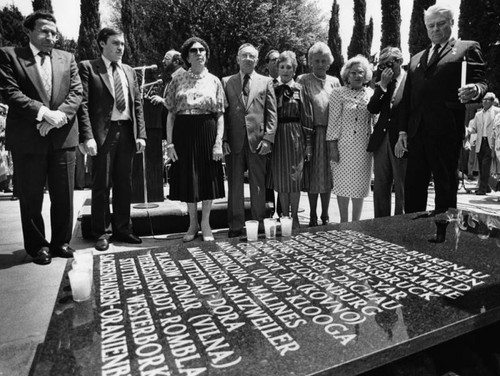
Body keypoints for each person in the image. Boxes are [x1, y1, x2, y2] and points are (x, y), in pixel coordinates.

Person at [0, 11, 83, 265]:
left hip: (62, 137)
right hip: (29, 139)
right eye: (45, 31)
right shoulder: (10, 55)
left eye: (54, 32)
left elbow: (76, 92)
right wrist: (43, 113)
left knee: (63, 195)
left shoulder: (66, 58)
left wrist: (58, 116)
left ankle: (60, 242)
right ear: (29, 31)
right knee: (31, 196)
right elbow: (9, 91)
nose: (51, 37)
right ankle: (38, 247)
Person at [396, 3, 488, 214]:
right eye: (431, 26)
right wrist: (402, 131)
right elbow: (407, 99)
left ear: (452, 23)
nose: (435, 29)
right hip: (417, 133)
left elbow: (482, 83)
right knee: (413, 188)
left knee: (445, 190)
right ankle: (413, 236)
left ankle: (444, 239)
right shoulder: (416, 58)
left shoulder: (467, 48)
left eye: (440, 24)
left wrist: (474, 90)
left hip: (446, 131)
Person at [78, 27, 147, 251]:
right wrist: (87, 136)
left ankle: (123, 229)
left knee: (124, 184)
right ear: (101, 44)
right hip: (102, 136)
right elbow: (84, 104)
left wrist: (141, 134)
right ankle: (102, 233)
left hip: (126, 132)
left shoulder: (128, 70)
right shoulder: (89, 68)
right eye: (115, 43)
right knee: (101, 184)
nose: (120, 48)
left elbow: (137, 104)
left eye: (123, 44)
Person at [165, 37, 225, 242]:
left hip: (206, 130)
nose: (199, 53)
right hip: (184, 131)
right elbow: (171, 114)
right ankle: (192, 224)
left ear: (206, 54)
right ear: (187, 56)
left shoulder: (215, 80)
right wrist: (170, 143)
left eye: (202, 50)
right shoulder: (177, 80)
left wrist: (218, 142)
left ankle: (206, 223)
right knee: (188, 178)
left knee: (207, 178)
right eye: (193, 50)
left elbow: (220, 114)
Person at [222, 43, 278, 238]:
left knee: (258, 184)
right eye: (244, 55)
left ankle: (260, 223)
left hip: (258, 140)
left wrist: (268, 139)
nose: (248, 59)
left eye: (251, 56)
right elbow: (223, 113)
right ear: (238, 59)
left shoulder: (266, 82)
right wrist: (224, 139)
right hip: (234, 141)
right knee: (235, 185)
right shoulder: (226, 82)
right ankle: (236, 225)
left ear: (256, 60)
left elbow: (272, 113)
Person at [327, 55, 376, 222]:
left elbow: (375, 119)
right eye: (353, 72)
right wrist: (332, 147)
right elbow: (332, 121)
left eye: (361, 72)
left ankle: (356, 223)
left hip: (363, 148)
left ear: (366, 75)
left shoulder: (370, 93)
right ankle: (343, 222)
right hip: (343, 146)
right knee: (342, 186)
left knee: (360, 187)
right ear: (347, 75)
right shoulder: (337, 93)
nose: (357, 76)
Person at [297, 42, 340, 226]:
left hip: (330, 135)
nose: (320, 64)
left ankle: (325, 215)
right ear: (310, 62)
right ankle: (313, 215)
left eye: (324, 60)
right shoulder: (303, 80)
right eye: (317, 60)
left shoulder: (334, 81)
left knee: (328, 176)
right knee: (313, 177)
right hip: (310, 134)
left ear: (329, 62)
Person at [272, 51, 313, 228]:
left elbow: (307, 117)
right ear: (277, 69)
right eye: (282, 67)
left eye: (289, 67)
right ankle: (284, 217)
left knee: (295, 179)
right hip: (277, 136)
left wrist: (308, 144)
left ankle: (295, 217)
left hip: (295, 137)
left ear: (294, 70)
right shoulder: (271, 89)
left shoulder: (300, 90)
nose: (285, 70)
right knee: (281, 180)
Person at [367, 47, 408, 217]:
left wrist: (405, 135)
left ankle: (401, 225)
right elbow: (372, 108)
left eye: (389, 64)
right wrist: (382, 86)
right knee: (381, 186)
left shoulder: (411, 80)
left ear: (400, 61)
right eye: (382, 66)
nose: (386, 69)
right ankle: (380, 224)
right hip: (382, 139)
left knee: (402, 186)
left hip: (401, 139)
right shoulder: (385, 82)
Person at [466, 92, 500, 195]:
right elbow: (474, 128)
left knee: (486, 165)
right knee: (481, 165)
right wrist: (468, 130)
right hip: (481, 142)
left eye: (486, 100)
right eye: (483, 100)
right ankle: (487, 187)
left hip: (491, 142)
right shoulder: (478, 114)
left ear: (492, 101)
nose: (484, 102)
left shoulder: (497, 112)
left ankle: (482, 189)